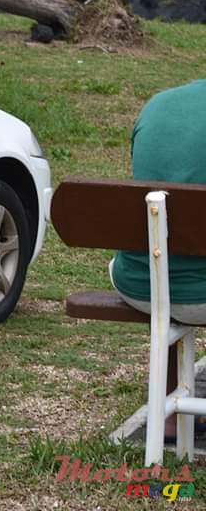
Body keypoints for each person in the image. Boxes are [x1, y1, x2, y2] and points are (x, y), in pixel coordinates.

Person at [110, 80, 206, 438]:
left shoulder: (158, 104)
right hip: (198, 289)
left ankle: (167, 411)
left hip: (142, 284)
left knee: (174, 260)